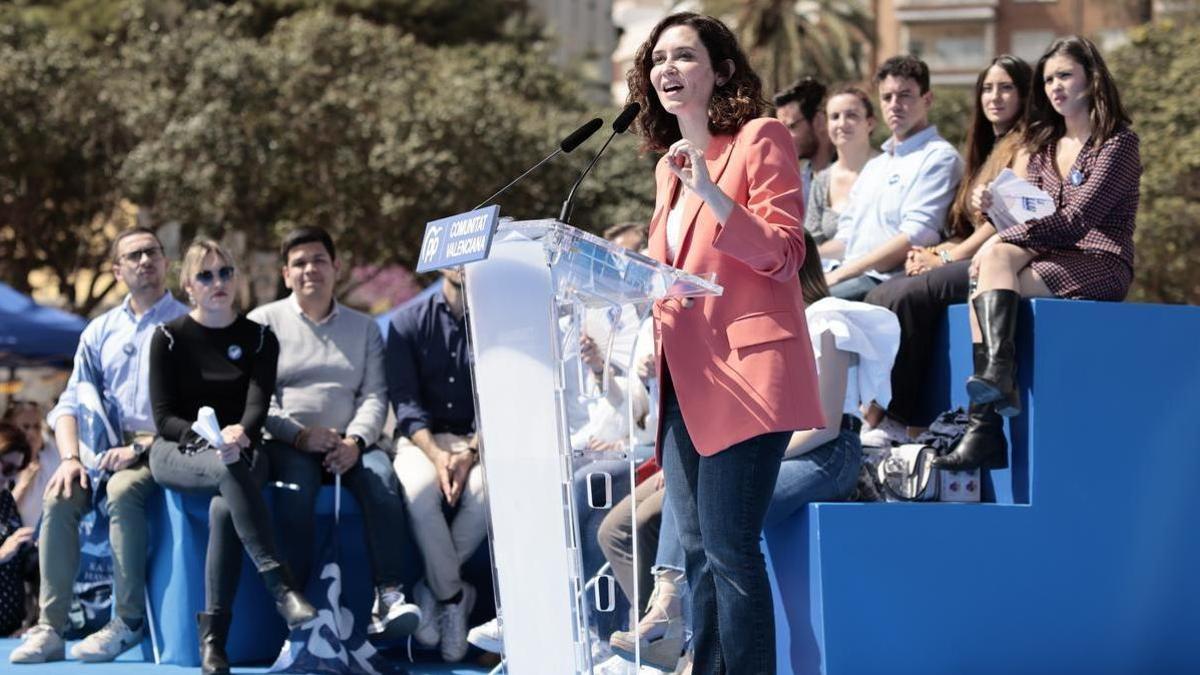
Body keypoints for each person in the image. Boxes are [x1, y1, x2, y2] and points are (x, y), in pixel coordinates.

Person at [626, 12, 824, 673]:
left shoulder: (759, 138)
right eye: (659, 59)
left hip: (748, 372)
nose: (668, 69)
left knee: (731, 546)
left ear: (722, 70)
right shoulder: (665, 169)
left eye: (685, 55)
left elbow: (785, 252)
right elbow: (673, 274)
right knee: (699, 551)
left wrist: (709, 190)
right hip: (685, 380)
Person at [936, 36, 1140, 471]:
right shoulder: (1046, 146)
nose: (1055, 87)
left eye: (1065, 75)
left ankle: (985, 426)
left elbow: (1075, 222)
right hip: (1049, 255)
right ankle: (994, 389)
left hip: (1100, 261)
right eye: (1048, 79)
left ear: (1093, 78)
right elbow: (1039, 212)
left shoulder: (1118, 143)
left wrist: (1006, 235)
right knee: (989, 264)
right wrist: (996, 208)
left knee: (986, 275)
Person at [10, 227, 189, 665]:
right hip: (97, 454)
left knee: (122, 490)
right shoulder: (99, 330)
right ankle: (51, 628)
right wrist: (70, 459)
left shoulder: (187, 325)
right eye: (134, 255)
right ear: (117, 270)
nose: (145, 261)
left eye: (152, 252)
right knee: (59, 494)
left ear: (166, 262)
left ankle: (125, 621)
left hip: (162, 448)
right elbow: (71, 401)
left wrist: (143, 446)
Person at [148, 239, 316, 675]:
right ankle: (282, 588)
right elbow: (164, 418)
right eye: (205, 275)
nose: (217, 282)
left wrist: (241, 432)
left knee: (225, 508)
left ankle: (213, 644)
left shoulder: (260, 338)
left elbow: (258, 406)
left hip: (242, 451)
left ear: (236, 280)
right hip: (179, 450)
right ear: (188, 286)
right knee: (227, 469)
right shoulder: (167, 337)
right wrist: (206, 436)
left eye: (224, 273)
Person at [247, 227, 420, 642]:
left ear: (336, 267)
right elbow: (258, 399)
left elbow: (376, 394)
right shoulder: (262, 323)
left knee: (381, 481)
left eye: (319, 260)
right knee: (296, 492)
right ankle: (298, 605)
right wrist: (299, 435)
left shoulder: (364, 328)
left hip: (353, 444)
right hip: (290, 444)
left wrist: (356, 443)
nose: (311, 270)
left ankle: (390, 596)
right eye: (300, 263)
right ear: (286, 274)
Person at [862, 56, 1033, 445]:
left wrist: (946, 257)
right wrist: (934, 252)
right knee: (882, 293)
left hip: (1003, 258)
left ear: (1024, 94)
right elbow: (963, 226)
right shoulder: (986, 146)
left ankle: (893, 418)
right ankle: (868, 413)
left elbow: (1004, 219)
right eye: (988, 88)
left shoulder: (1027, 144)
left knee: (905, 295)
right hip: (970, 252)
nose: (995, 96)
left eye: (1006, 87)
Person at [385, 267, 486, 663]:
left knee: (487, 496)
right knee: (419, 491)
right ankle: (455, 597)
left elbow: (500, 396)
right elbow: (405, 404)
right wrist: (439, 455)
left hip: (477, 442)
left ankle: (433, 590)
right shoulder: (407, 321)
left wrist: (469, 453)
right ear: (441, 262)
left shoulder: (495, 319)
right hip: (420, 440)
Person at [764, 231, 899, 524]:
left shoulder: (825, 319)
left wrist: (761, 457)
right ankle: (669, 572)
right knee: (690, 497)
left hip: (829, 453)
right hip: (787, 450)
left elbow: (825, 426)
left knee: (734, 503)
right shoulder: (772, 327)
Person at [824, 56, 963, 301]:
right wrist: (805, 257)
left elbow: (918, 234)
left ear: (927, 99)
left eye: (905, 95)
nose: (895, 105)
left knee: (803, 309)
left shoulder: (939, 157)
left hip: (885, 281)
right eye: (887, 97)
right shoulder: (876, 166)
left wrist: (844, 273)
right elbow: (846, 238)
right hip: (848, 274)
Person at [806, 86, 880, 253]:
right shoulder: (821, 181)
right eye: (834, 117)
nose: (842, 123)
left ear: (870, 123)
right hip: (827, 273)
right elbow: (812, 243)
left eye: (851, 115)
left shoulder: (888, 169)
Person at [773, 76, 835, 204]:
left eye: (791, 126)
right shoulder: (798, 183)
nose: (783, 137)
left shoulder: (854, 175)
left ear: (819, 121)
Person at [2, 401, 60, 531]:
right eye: (25, 427)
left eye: (36, 427)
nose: (32, 434)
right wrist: (23, 485)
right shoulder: (4, 467)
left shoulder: (52, 452)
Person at [1, 425, 35, 636]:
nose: (10, 479)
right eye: (7, 469)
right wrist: (2, 553)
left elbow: (23, 566)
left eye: (15, 471)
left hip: (11, 631)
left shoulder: (5, 501)